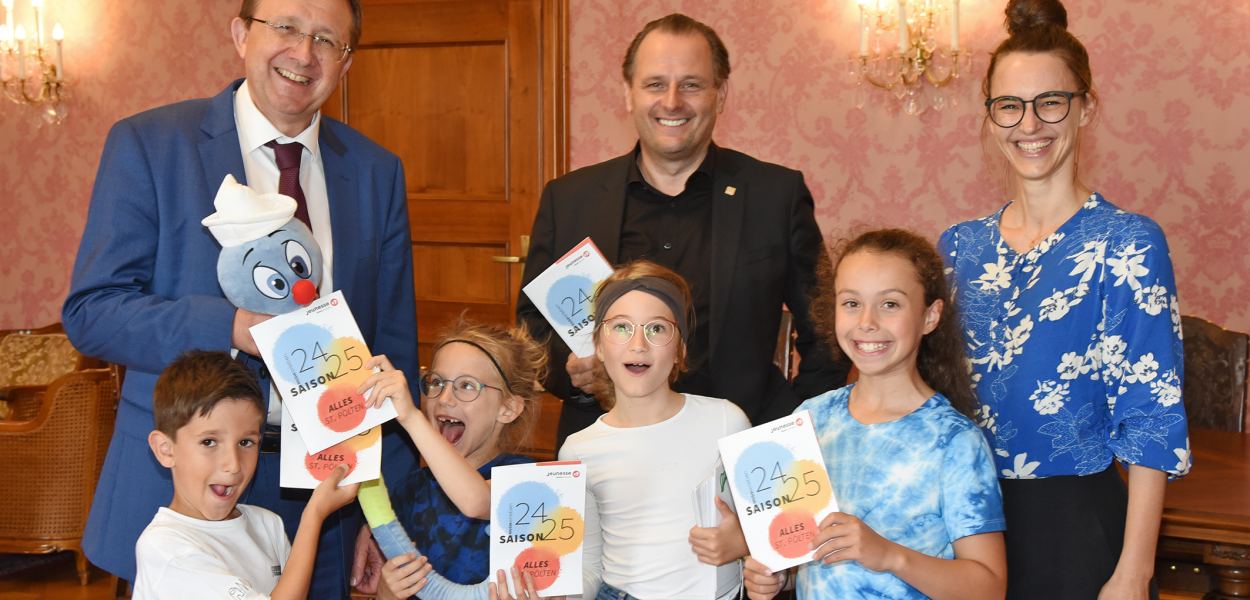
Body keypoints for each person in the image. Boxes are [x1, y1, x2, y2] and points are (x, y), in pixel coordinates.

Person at [61, 0, 419, 594]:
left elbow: (392, 349)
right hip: (180, 496)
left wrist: (385, 513)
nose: (303, 53)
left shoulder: (376, 172)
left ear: (347, 62)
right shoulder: (151, 145)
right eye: (285, 27)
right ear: (240, 35)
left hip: (324, 495)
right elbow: (92, 312)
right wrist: (230, 327)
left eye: (326, 40)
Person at [937, 1, 1190, 598]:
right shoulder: (959, 247)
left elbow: (1151, 419)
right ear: (990, 116)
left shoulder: (1127, 243)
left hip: (1075, 531)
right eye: (1009, 105)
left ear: (1086, 107)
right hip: (964, 524)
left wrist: (1134, 572)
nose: (1029, 125)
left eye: (1050, 102)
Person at [517, 13, 848, 448]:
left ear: (720, 94)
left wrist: (796, 423)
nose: (672, 102)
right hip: (606, 441)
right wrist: (572, 373)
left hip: (743, 444)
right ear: (629, 94)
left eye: (691, 84)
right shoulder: (569, 199)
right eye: (655, 84)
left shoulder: (775, 197)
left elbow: (827, 329)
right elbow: (534, 326)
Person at [743, 229, 1008, 600]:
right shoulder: (810, 419)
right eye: (852, 303)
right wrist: (777, 577)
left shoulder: (954, 441)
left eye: (890, 304)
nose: (867, 321)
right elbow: (804, 556)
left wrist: (889, 555)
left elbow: (988, 588)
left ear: (930, 316)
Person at [133, 351, 408, 599]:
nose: (233, 465)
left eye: (246, 442)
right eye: (209, 442)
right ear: (165, 450)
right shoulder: (166, 548)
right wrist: (313, 516)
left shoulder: (267, 524)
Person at [557, 260, 750, 599]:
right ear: (598, 345)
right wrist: (557, 593)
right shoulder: (578, 450)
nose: (638, 344)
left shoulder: (726, 421)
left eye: (657, 328)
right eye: (621, 327)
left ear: (680, 349)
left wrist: (745, 543)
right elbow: (588, 567)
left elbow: (772, 530)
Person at [352, 319, 547, 597]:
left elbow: (477, 501)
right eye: (436, 382)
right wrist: (387, 593)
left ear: (508, 409)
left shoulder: (528, 480)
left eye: (466, 385)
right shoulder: (410, 491)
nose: (444, 398)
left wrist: (411, 417)